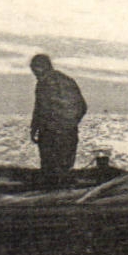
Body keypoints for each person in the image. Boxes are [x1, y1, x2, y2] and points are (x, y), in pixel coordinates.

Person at [28, 53, 86, 185]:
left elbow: (40, 110)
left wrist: (35, 129)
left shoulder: (43, 84)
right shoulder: (68, 80)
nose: (34, 73)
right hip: (69, 132)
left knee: (50, 172)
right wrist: (71, 124)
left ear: (41, 67)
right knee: (64, 168)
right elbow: (82, 107)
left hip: (51, 133)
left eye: (35, 69)